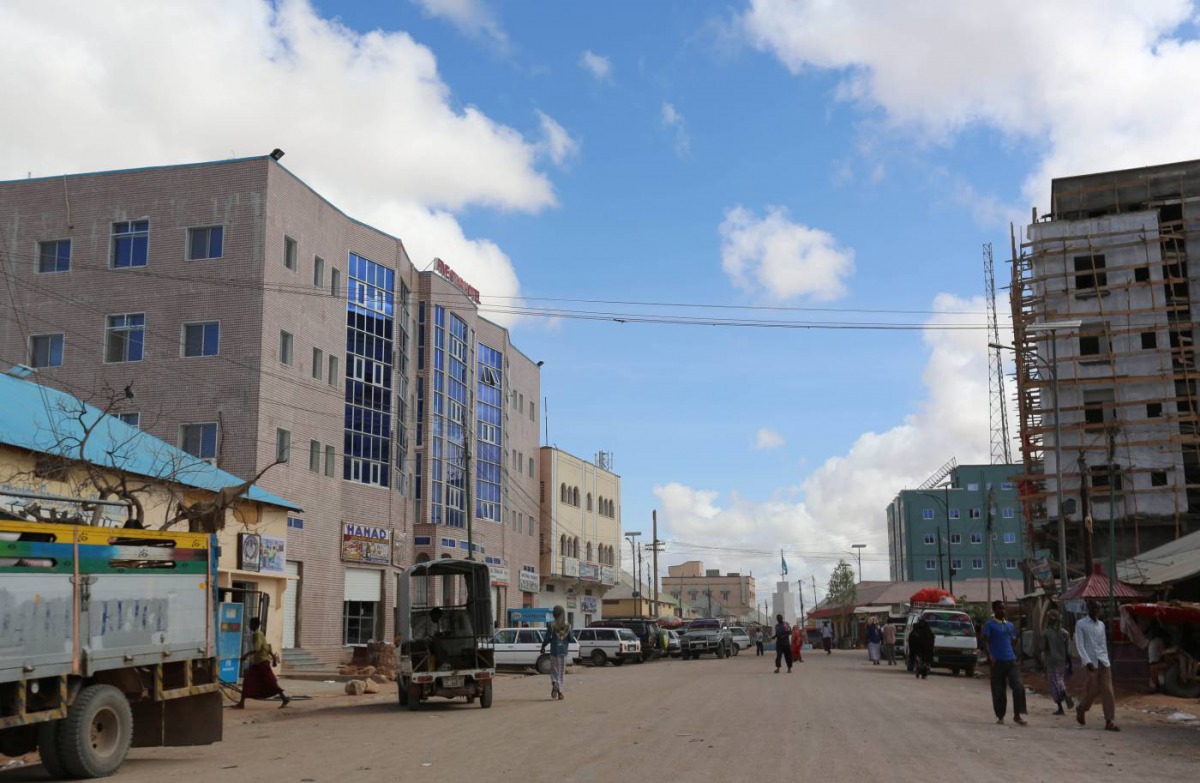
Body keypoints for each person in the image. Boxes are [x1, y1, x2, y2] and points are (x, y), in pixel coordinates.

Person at [1075, 599, 1119, 731]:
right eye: (1094, 608)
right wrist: (1086, 660)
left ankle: (1109, 720)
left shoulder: (1101, 625)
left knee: (1108, 690)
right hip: (1090, 662)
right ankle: (1081, 708)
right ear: (1088, 609)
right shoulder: (1081, 624)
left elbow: (1103, 644)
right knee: (1093, 689)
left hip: (1103, 661)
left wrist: (1107, 660)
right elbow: (1080, 644)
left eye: (1098, 609)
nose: (1096, 611)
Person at [982, 600, 1027, 725]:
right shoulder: (989, 625)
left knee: (1018, 687)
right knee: (998, 690)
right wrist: (990, 655)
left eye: (1004, 609)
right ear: (994, 610)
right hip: (997, 662)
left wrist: (1016, 639)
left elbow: (1013, 642)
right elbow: (985, 641)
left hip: (1010, 660)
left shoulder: (1010, 625)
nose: (1003, 611)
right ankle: (1000, 715)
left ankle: (1017, 715)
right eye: (1000, 608)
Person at [235, 617, 290, 709]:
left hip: (262, 662)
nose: (250, 626)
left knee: (270, 681)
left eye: (251, 624)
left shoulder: (256, 634)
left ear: (255, 625)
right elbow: (267, 647)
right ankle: (241, 703)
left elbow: (257, 648)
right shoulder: (260, 634)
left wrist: (245, 655)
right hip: (259, 663)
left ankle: (284, 698)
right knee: (248, 680)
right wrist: (273, 658)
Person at [1041, 608, 1075, 714]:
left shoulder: (1045, 633)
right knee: (1060, 680)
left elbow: (1043, 648)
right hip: (1062, 661)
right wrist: (1069, 663)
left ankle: (1062, 703)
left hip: (1051, 661)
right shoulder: (1065, 633)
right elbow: (1068, 650)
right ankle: (1064, 695)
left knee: (1054, 684)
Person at [539, 605, 572, 700]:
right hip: (563, 652)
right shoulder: (568, 626)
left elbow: (546, 638)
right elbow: (570, 638)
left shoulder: (551, 625)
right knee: (561, 672)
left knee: (554, 671)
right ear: (563, 614)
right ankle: (560, 693)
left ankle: (555, 683)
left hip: (554, 651)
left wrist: (543, 647)